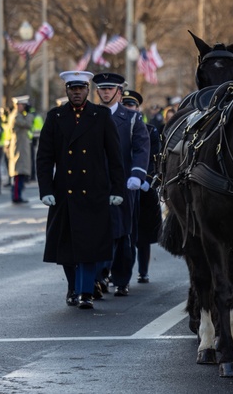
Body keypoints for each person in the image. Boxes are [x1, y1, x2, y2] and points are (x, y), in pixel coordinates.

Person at [37, 70, 125, 310]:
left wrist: (117, 188)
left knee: (90, 246)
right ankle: (73, 287)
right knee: (66, 247)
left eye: (81, 89)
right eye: (72, 89)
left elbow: (115, 157)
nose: (77, 93)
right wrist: (45, 189)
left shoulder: (101, 115)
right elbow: (44, 157)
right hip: (64, 191)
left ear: (88, 90)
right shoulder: (55, 117)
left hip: (94, 190)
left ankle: (85, 291)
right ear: (67, 91)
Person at [93, 72, 149, 297]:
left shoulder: (132, 118)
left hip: (124, 183)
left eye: (110, 89)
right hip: (96, 183)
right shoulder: (91, 115)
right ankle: (99, 275)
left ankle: (121, 278)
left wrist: (137, 174)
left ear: (119, 91)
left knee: (122, 233)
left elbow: (141, 147)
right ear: (97, 91)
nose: (106, 92)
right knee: (98, 232)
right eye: (102, 88)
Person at [122, 89, 161, 284]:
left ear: (138, 109)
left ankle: (143, 270)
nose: (128, 108)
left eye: (131, 106)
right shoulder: (115, 127)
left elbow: (154, 158)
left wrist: (148, 180)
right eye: (125, 105)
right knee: (124, 232)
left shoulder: (150, 130)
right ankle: (122, 274)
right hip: (123, 185)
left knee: (143, 235)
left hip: (144, 187)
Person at [9, 97, 35, 203]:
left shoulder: (19, 115)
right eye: (23, 105)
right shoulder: (16, 116)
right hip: (19, 147)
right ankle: (16, 196)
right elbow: (28, 124)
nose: (24, 108)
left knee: (21, 172)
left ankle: (18, 194)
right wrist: (29, 114)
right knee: (18, 173)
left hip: (21, 147)